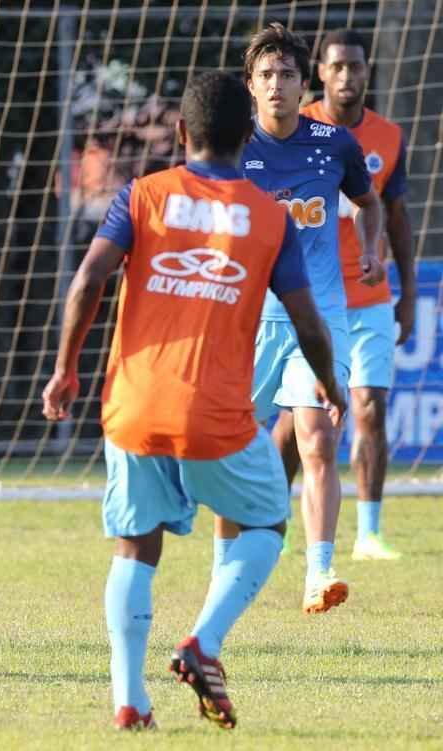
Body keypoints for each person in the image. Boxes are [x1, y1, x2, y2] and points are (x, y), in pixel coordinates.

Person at [42, 71, 346, 730]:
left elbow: (89, 280)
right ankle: (204, 640)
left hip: (132, 404)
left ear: (181, 132)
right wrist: (328, 380)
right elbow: (307, 319)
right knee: (267, 524)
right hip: (217, 415)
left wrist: (65, 369)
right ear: (245, 137)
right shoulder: (269, 215)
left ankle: (130, 699)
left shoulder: (142, 195)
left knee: (135, 547)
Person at [214, 23, 385, 614]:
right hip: (247, 322)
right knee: (234, 450)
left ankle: (319, 573)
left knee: (317, 438)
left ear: (302, 80)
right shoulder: (231, 149)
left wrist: (372, 246)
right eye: (266, 76)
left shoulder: (334, 143)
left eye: (287, 74)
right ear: (250, 86)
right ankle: (222, 575)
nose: (277, 85)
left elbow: (369, 200)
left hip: (318, 318)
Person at [269, 28, 416, 561]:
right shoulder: (292, 127)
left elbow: (394, 215)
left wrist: (405, 292)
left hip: (369, 301)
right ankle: (272, 516)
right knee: (296, 424)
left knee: (370, 408)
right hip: (305, 303)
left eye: (356, 67)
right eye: (338, 67)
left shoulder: (388, 137)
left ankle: (369, 533)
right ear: (322, 74)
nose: (348, 76)